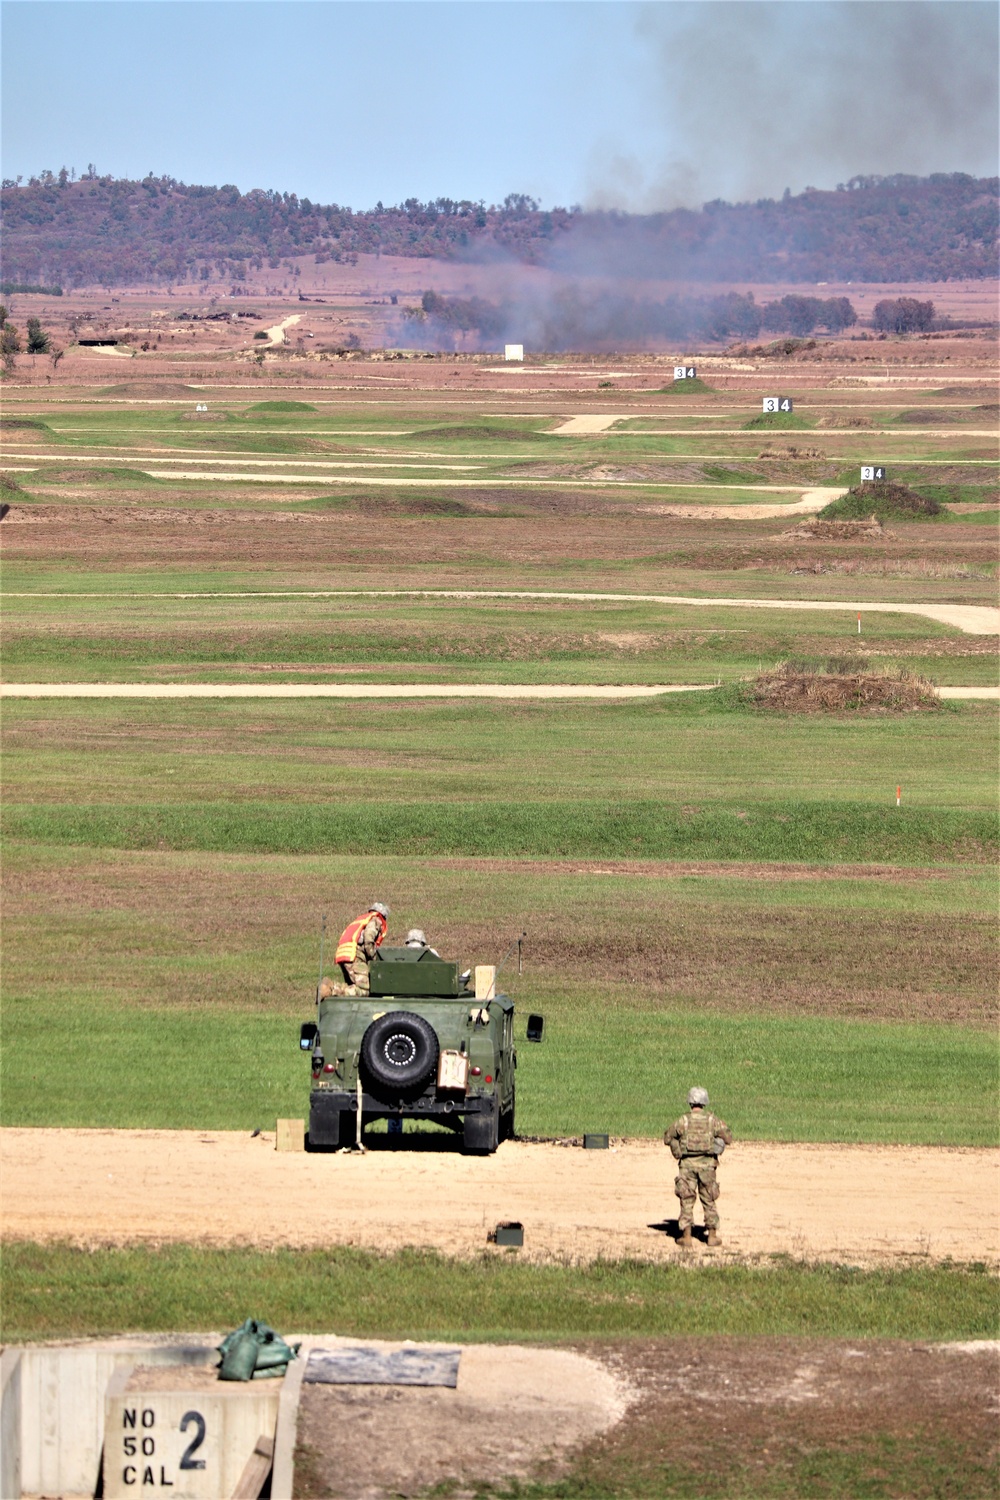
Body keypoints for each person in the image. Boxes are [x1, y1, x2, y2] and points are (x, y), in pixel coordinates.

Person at [664, 1087, 732, 1248]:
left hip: (687, 1165)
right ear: (705, 1102)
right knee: (709, 1200)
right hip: (708, 1166)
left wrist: (677, 1148)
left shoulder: (683, 1121)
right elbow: (728, 1137)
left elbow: (668, 1137)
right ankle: (712, 1236)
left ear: (690, 1101)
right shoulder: (712, 1120)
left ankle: (686, 1237)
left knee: (686, 1200)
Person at [334, 903, 390, 995]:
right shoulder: (376, 920)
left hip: (343, 954)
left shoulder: (362, 919)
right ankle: (333, 990)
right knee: (364, 989)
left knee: (352, 985)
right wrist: (374, 958)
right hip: (355, 955)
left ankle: (332, 987)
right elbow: (368, 939)